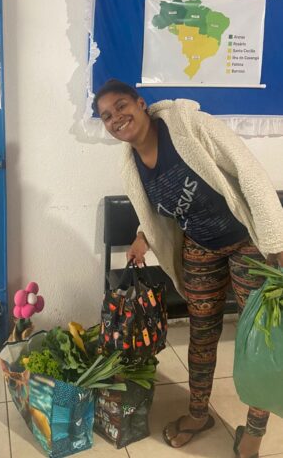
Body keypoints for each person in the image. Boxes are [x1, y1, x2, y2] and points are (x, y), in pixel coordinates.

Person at [94, 79, 283, 458]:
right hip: (200, 246)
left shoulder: (190, 126)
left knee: (260, 338)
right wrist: (142, 236)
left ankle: (254, 433)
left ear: (141, 103)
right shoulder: (132, 164)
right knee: (202, 334)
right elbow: (160, 210)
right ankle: (198, 415)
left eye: (121, 105)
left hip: (247, 240)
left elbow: (250, 173)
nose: (116, 118)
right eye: (106, 116)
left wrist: (276, 241)